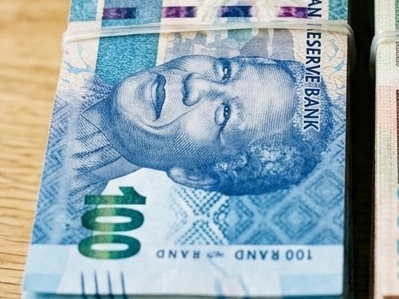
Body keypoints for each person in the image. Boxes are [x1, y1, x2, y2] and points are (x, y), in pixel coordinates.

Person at [70, 53, 330, 198]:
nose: (196, 84)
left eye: (224, 114)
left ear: (194, 174)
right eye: (225, 71)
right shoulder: (73, 73)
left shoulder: (69, 216)